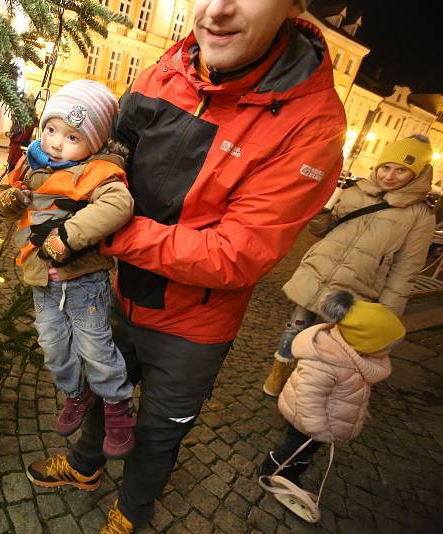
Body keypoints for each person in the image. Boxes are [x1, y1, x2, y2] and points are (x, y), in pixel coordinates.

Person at [22, 0, 348, 531]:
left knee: (157, 430)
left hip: (192, 327)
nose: (216, 11)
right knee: (107, 390)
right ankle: (83, 469)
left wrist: (97, 231)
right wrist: (46, 168)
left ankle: (132, 512)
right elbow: (104, 154)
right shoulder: (165, 70)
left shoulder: (312, 125)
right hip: (116, 292)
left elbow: (235, 254)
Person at [0, 79, 137, 458]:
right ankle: (77, 393)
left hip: (83, 281)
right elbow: (1, 198)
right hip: (41, 280)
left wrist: (69, 235)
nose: (56, 142)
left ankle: (118, 408)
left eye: (72, 137)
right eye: (52, 129)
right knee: (53, 348)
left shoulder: (98, 171)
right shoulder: (30, 161)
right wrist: (8, 200)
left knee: (95, 349)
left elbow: (118, 206)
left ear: (94, 141)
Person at [263, 135, 436, 397]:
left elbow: (406, 269)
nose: (390, 176)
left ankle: (304, 388)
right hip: (318, 273)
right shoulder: (357, 192)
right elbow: (320, 231)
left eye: (401, 170)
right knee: (296, 327)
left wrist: (387, 314)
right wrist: (322, 214)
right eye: (385, 167)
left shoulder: (420, 215)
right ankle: (279, 373)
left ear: (417, 174)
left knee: (330, 345)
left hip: (355, 289)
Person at [259, 291, 403, 511]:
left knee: (307, 449)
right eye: (385, 347)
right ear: (363, 343)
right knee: (294, 445)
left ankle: (294, 466)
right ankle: (272, 466)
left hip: (327, 420)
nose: (387, 352)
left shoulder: (357, 356)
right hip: (310, 420)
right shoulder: (326, 361)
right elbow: (308, 397)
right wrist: (317, 427)